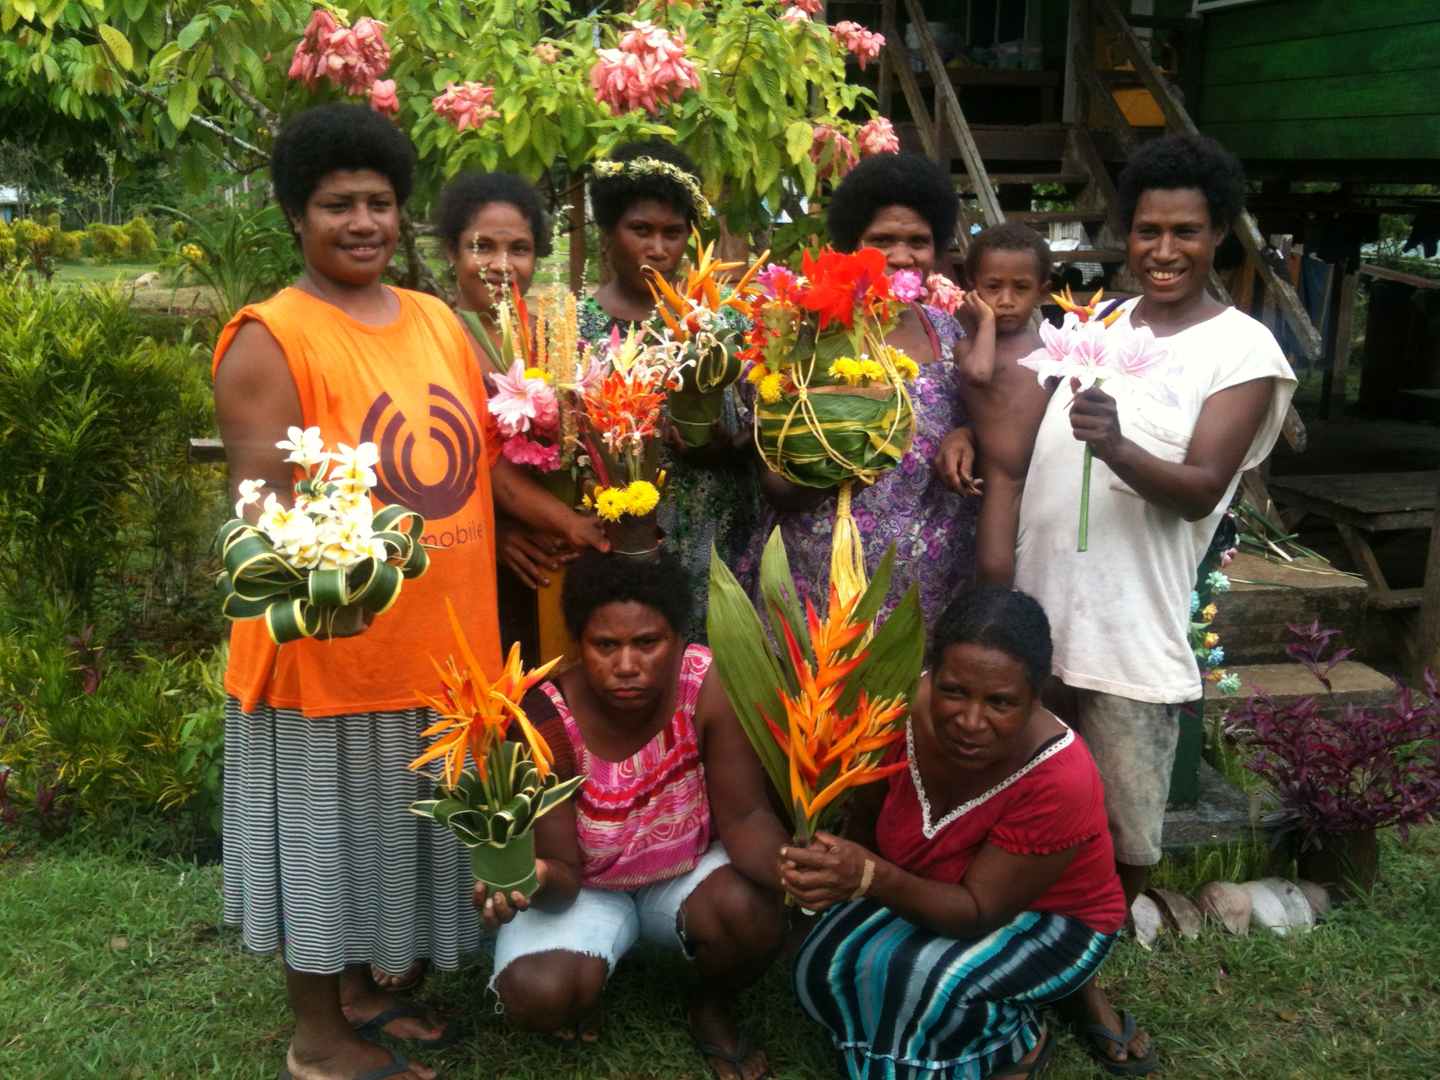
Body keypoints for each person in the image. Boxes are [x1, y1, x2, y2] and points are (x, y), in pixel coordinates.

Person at [213, 105, 606, 1080]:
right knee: (324, 841)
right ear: (295, 218)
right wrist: (338, 579)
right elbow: (263, 509)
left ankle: (360, 994)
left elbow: (481, 459)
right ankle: (319, 1040)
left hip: (444, 652)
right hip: (330, 653)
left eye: (378, 203)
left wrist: (553, 522)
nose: (361, 222)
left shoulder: (435, 320)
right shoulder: (270, 337)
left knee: (388, 831)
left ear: (401, 215)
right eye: (336, 204)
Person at [1013, 132, 1296, 1070]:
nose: (1163, 249)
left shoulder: (1244, 347)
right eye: (1146, 230)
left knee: (1126, 834)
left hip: (1131, 638)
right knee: (1021, 813)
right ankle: (1017, 966)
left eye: (1185, 231)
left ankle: (1082, 981)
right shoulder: (1097, 324)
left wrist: (1118, 445)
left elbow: (1201, 484)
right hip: (1031, 625)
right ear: (1124, 235)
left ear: (1220, 235)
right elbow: (1033, 456)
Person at [784, 586, 1127, 1080]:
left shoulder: (1060, 776)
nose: (970, 721)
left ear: (1038, 695)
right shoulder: (894, 712)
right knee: (818, 965)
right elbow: (865, 821)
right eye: (954, 690)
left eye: (1001, 703)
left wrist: (870, 878)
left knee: (920, 987)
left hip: (1049, 920)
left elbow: (977, 912)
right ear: (932, 674)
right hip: (920, 888)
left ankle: (1019, 1043)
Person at [478, 549, 786, 1080]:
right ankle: (594, 963)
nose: (626, 665)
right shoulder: (544, 718)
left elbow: (745, 818)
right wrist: (539, 876)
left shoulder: (705, 683)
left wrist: (796, 871)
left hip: (685, 872)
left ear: (676, 638)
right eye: (606, 645)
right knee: (537, 995)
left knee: (751, 913)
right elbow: (565, 875)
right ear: (579, 643)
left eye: (648, 642)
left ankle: (710, 1005)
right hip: (588, 884)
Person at [736, 151, 978, 624]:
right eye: (881, 240)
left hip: (929, 588)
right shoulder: (803, 334)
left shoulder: (951, 336)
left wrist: (968, 435)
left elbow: (987, 425)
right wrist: (843, 444)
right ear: (850, 247)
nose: (901, 255)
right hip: (818, 581)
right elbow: (776, 486)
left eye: (918, 241)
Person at [580, 139, 758, 641]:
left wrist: (731, 444)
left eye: (672, 233)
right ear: (609, 233)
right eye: (640, 230)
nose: (658, 249)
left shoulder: (720, 321)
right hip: (622, 544)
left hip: (719, 534)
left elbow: (769, 420)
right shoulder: (578, 327)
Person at [434, 171, 574, 663]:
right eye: (482, 247)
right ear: (452, 252)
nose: (502, 264)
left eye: (519, 248)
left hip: (560, 559)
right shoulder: (434, 339)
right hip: (482, 561)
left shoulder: (558, 340)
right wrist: (496, 535)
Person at [949, 223, 1052, 586]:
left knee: (1042, 567)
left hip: (1045, 477)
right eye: (993, 288)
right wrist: (987, 322)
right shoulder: (971, 346)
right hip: (1001, 479)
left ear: (1042, 291)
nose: (1006, 299)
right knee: (995, 570)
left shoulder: (1049, 347)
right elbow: (978, 372)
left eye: (1021, 288)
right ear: (974, 288)